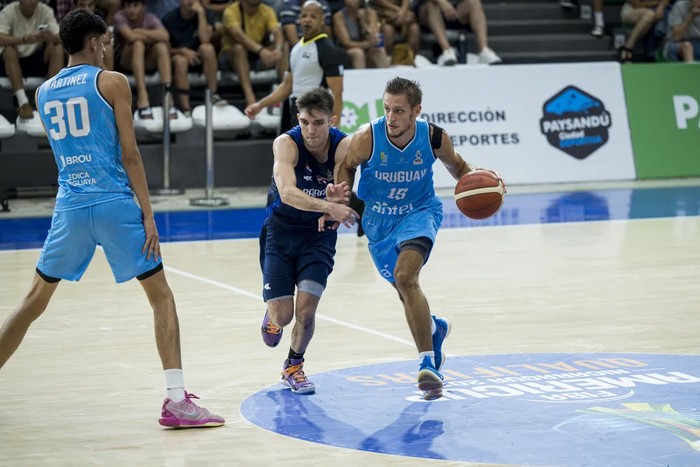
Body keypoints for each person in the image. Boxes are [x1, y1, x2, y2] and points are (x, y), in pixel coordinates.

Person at [0, 8, 224, 428]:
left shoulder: (44, 92)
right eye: (105, 42)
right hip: (114, 203)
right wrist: (149, 216)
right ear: (92, 42)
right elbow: (130, 154)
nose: (107, 48)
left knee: (33, 300)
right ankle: (176, 401)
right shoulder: (112, 82)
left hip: (70, 205)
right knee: (161, 296)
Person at [335, 77, 499, 400]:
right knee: (405, 292)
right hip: (379, 222)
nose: (391, 117)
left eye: (399, 110)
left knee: (406, 277)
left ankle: (428, 364)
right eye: (387, 109)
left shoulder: (434, 137)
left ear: (416, 112)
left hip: (419, 213)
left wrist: (486, 184)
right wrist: (343, 197)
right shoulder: (367, 138)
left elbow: (461, 168)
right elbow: (346, 166)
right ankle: (434, 330)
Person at [258, 86, 359, 394]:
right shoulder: (286, 144)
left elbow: (346, 190)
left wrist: (338, 202)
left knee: (306, 311)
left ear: (332, 120)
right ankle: (273, 313)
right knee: (284, 315)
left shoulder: (344, 147)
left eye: (318, 122)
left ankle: (294, 365)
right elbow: (287, 193)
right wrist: (328, 206)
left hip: (318, 237)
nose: (311, 130)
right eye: (305, 122)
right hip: (281, 231)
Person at [244, 0, 344, 131]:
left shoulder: (327, 49)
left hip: (315, 112)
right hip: (295, 109)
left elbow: (337, 92)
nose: (307, 20)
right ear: (299, 19)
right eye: (304, 16)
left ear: (322, 20)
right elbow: (287, 85)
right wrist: (260, 105)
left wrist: (334, 127)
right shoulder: (297, 48)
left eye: (313, 16)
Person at [0, 0, 64, 120]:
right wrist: (24, 40)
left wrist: (51, 37)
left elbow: (61, 36)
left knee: (58, 48)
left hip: (36, 58)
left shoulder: (46, 11)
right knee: (8, 50)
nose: (34, 1)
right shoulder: (9, 11)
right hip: (12, 61)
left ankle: (52, 98)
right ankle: (23, 102)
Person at [162, 0, 227, 117]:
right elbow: (165, 50)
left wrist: (201, 14)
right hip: (178, 58)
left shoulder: (205, 13)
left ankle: (213, 94)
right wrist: (182, 51)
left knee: (207, 48)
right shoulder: (169, 19)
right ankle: (186, 109)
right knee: (180, 61)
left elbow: (205, 39)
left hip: (200, 57)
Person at [113, 0, 174, 119]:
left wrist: (139, 31)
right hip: (125, 62)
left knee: (161, 46)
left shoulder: (150, 18)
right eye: (128, 5)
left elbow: (165, 36)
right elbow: (130, 36)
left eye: (135, 5)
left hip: (146, 61)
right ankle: (142, 96)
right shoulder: (120, 16)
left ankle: (167, 95)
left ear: (143, 6)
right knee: (138, 44)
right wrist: (151, 36)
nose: (131, 9)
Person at [219, 0, 286, 107]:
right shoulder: (231, 11)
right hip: (231, 57)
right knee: (239, 49)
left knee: (284, 46)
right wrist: (261, 50)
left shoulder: (267, 10)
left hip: (257, 55)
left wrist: (277, 50)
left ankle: (284, 92)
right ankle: (250, 97)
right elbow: (238, 35)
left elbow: (277, 32)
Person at [416, 0, 501, 65]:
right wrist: (443, 2)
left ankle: (484, 50)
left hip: (453, 10)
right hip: (428, 12)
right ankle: (447, 51)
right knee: (432, 5)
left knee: (474, 2)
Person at [332, 0, 390, 69]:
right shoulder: (338, 16)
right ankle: (360, 79)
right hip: (348, 50)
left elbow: (375, 38)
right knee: (358, 53)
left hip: (367, 48)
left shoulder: (370, 13)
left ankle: (385, 77)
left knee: (379, 49)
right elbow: (346, 43)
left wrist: (364, 24)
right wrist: (367, 44)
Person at [72, 0, 114, 70]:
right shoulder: (71, 19)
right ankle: (107, 76)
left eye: (90, 5)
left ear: (94, 5)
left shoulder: (99, 15)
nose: (87, 9)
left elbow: (106, 36)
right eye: (82, 5)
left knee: (108, 49)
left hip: (94, 46)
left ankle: (107, 76)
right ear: (75, 6)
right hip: (79, 49)